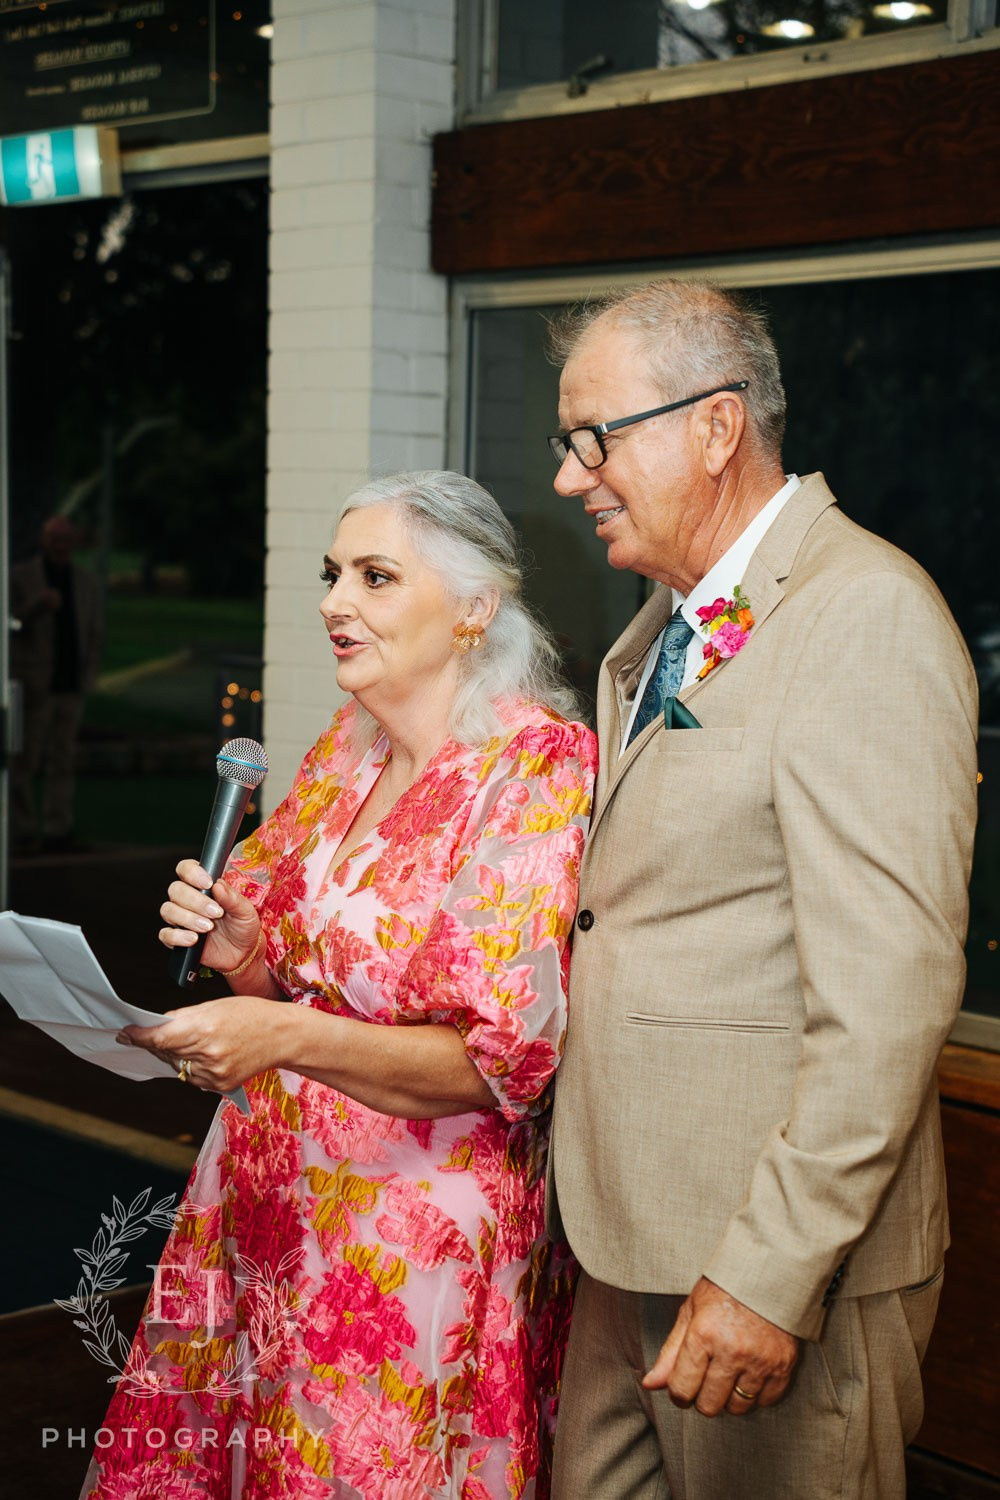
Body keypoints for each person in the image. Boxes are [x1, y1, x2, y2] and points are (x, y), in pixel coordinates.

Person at [80, 471, 597, 1500]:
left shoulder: (534, 769)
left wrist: (276, 1036)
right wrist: (240, 949)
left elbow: (495, 1066)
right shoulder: (344, 750)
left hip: (405, 1240)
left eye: (374, 575)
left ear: (473, 607)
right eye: (332, 574)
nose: (333, 601)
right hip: (264, 1200)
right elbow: (288, 968)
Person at [543, 280, 979, 1500]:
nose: (573, 477)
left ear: (715, 427)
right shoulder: (674, 625)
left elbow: (888, 999)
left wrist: (766, 1276)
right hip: (627, 1249)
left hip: (769, 1275)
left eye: (594, 439)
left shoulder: (862, 615)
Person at [9, 514, 103, 853]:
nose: (59, 545)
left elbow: (94, 631)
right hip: (34, 684)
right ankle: (22, 829)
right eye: (53, 538)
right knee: (25, 759)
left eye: (65, 538)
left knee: (63, 760)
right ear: (43, 539)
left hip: (70, 685)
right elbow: (11, 623)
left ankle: (56, 828)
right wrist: (34, 608)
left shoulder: (85, 581)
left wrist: (89, 674)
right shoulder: (22, 577)